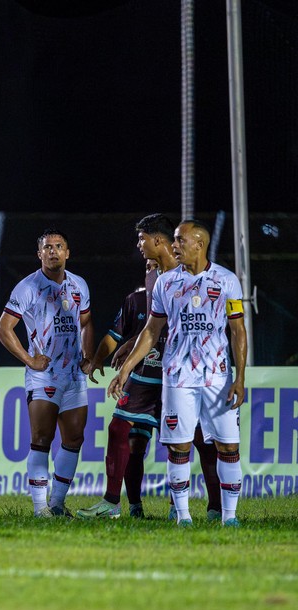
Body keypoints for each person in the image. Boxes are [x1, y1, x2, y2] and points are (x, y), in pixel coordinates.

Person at [79, 214, 221, 520]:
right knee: (121, 429)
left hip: (184, 373)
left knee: (197, 440)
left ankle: (211, 508)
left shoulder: (191, 276)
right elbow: (149, 328)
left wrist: (131, 346)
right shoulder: (150, 282)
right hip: (148, 371)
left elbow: (187, 323)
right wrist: (118, 358)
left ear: (159, 241)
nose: (138, 246)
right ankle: (116, 503)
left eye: (142, 238)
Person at [108, 219, 247, 526]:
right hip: (178, 377)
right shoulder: (167, 283)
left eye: (181, 241)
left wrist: (239, 378)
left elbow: (238, 331)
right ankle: (182, 516)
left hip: (217, 378)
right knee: (179, 446)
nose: (175, 246)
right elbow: (150, 331)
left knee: (228, 446)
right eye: (173, 240)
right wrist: (126, 370)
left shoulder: (226, 281)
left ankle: (230, 516)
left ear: (199, 244)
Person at [0, 228, 94, 517]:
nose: (53, 251)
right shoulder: (27, 287)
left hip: (74, 375)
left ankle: (57, 503)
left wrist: (88, 356)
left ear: (67, 252)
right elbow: (3, 329)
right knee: (41, 438)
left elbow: (86, 322)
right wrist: (29, 359)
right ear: (39, 254)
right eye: (47, 247)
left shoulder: (79, 285)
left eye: (59, 246)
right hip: (45, 376)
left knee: (74, 439)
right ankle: (40, 508)